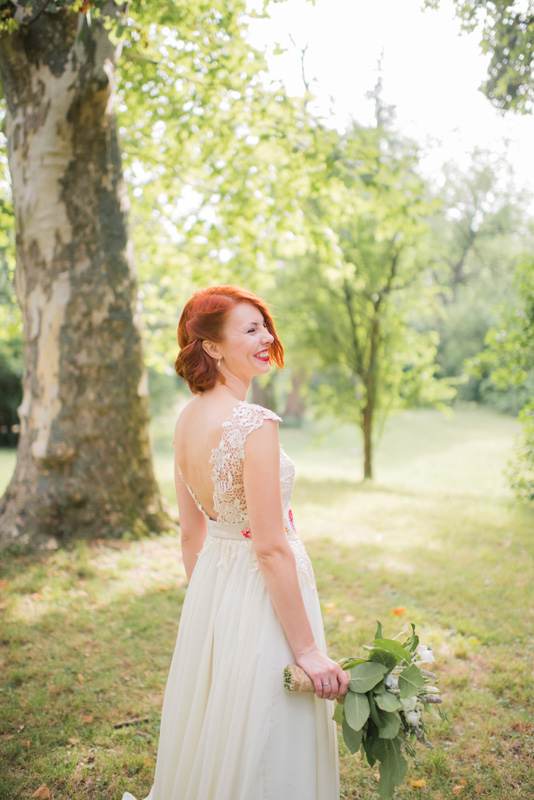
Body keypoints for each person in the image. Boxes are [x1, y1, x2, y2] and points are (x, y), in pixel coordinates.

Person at [122, 285, 349, 800]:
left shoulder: (186, 420)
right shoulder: (253, 423)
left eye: (264, 326)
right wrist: (308, 651)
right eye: (250, 329)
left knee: (226, 714)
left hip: (216, 587)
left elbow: (191, 534)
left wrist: (212, 605)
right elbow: (269, 547)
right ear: (213, 347)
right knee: (268, 720)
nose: (266, 337)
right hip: (264, 589)